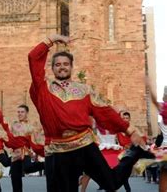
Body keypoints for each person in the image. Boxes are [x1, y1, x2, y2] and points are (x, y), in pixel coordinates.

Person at [28, 34, 151, 192]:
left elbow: (105, 112)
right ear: (52, 68)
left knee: (111, 183)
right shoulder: (42, 88)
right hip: (57, 150)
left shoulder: (85, 90)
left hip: (84, 146)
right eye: (57, 64)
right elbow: (33, 57)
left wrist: (130, 130)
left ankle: (133, 153)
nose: (62, 67)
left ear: (71, 67)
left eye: (66, 64)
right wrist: (52, 38)